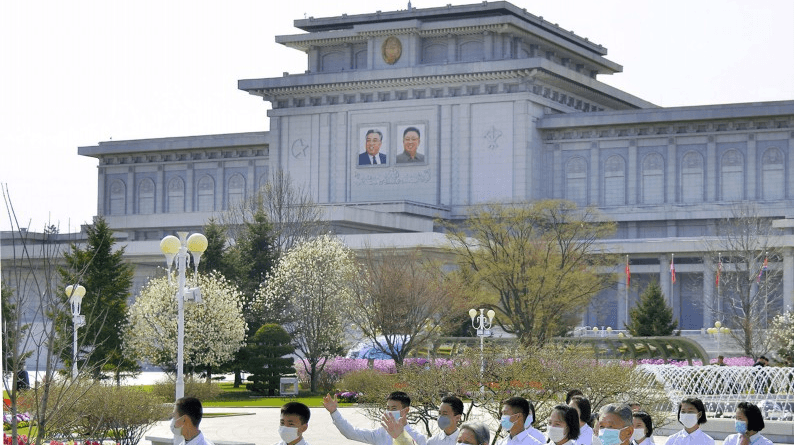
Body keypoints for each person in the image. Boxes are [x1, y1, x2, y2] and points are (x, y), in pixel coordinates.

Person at [323, 391, 423, 445]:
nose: (389, 412)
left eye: (394, 408)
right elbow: (351, 433)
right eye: (387, 408)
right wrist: (334, 412)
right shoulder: (381, 433)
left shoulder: (418, 438)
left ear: (406, 410)